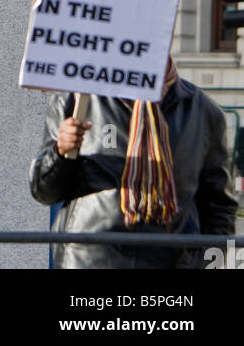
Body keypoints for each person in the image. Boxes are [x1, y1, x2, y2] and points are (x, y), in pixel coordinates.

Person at [29, 59, 237, 269]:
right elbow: (43, 192)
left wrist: (209, 264)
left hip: (174, 262)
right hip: (90, 259)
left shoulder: (202, 111)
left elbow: (219, 206)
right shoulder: (77, 100)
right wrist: (60, 152)